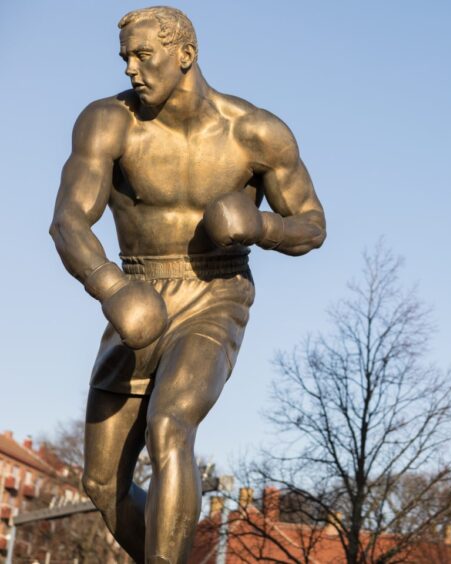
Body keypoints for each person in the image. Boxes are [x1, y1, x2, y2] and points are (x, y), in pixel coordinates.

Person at [48, 6, 326, 563]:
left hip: (215, 292)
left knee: (170, 423)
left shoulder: (255, 132)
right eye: (125, 57)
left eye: (142, 55)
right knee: (101, 486)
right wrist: (110, 286)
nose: (131, 69)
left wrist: (262, 225)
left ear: (185, 55)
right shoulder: (109, 122)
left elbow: (312, 225)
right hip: (137, 291)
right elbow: (69, 221)